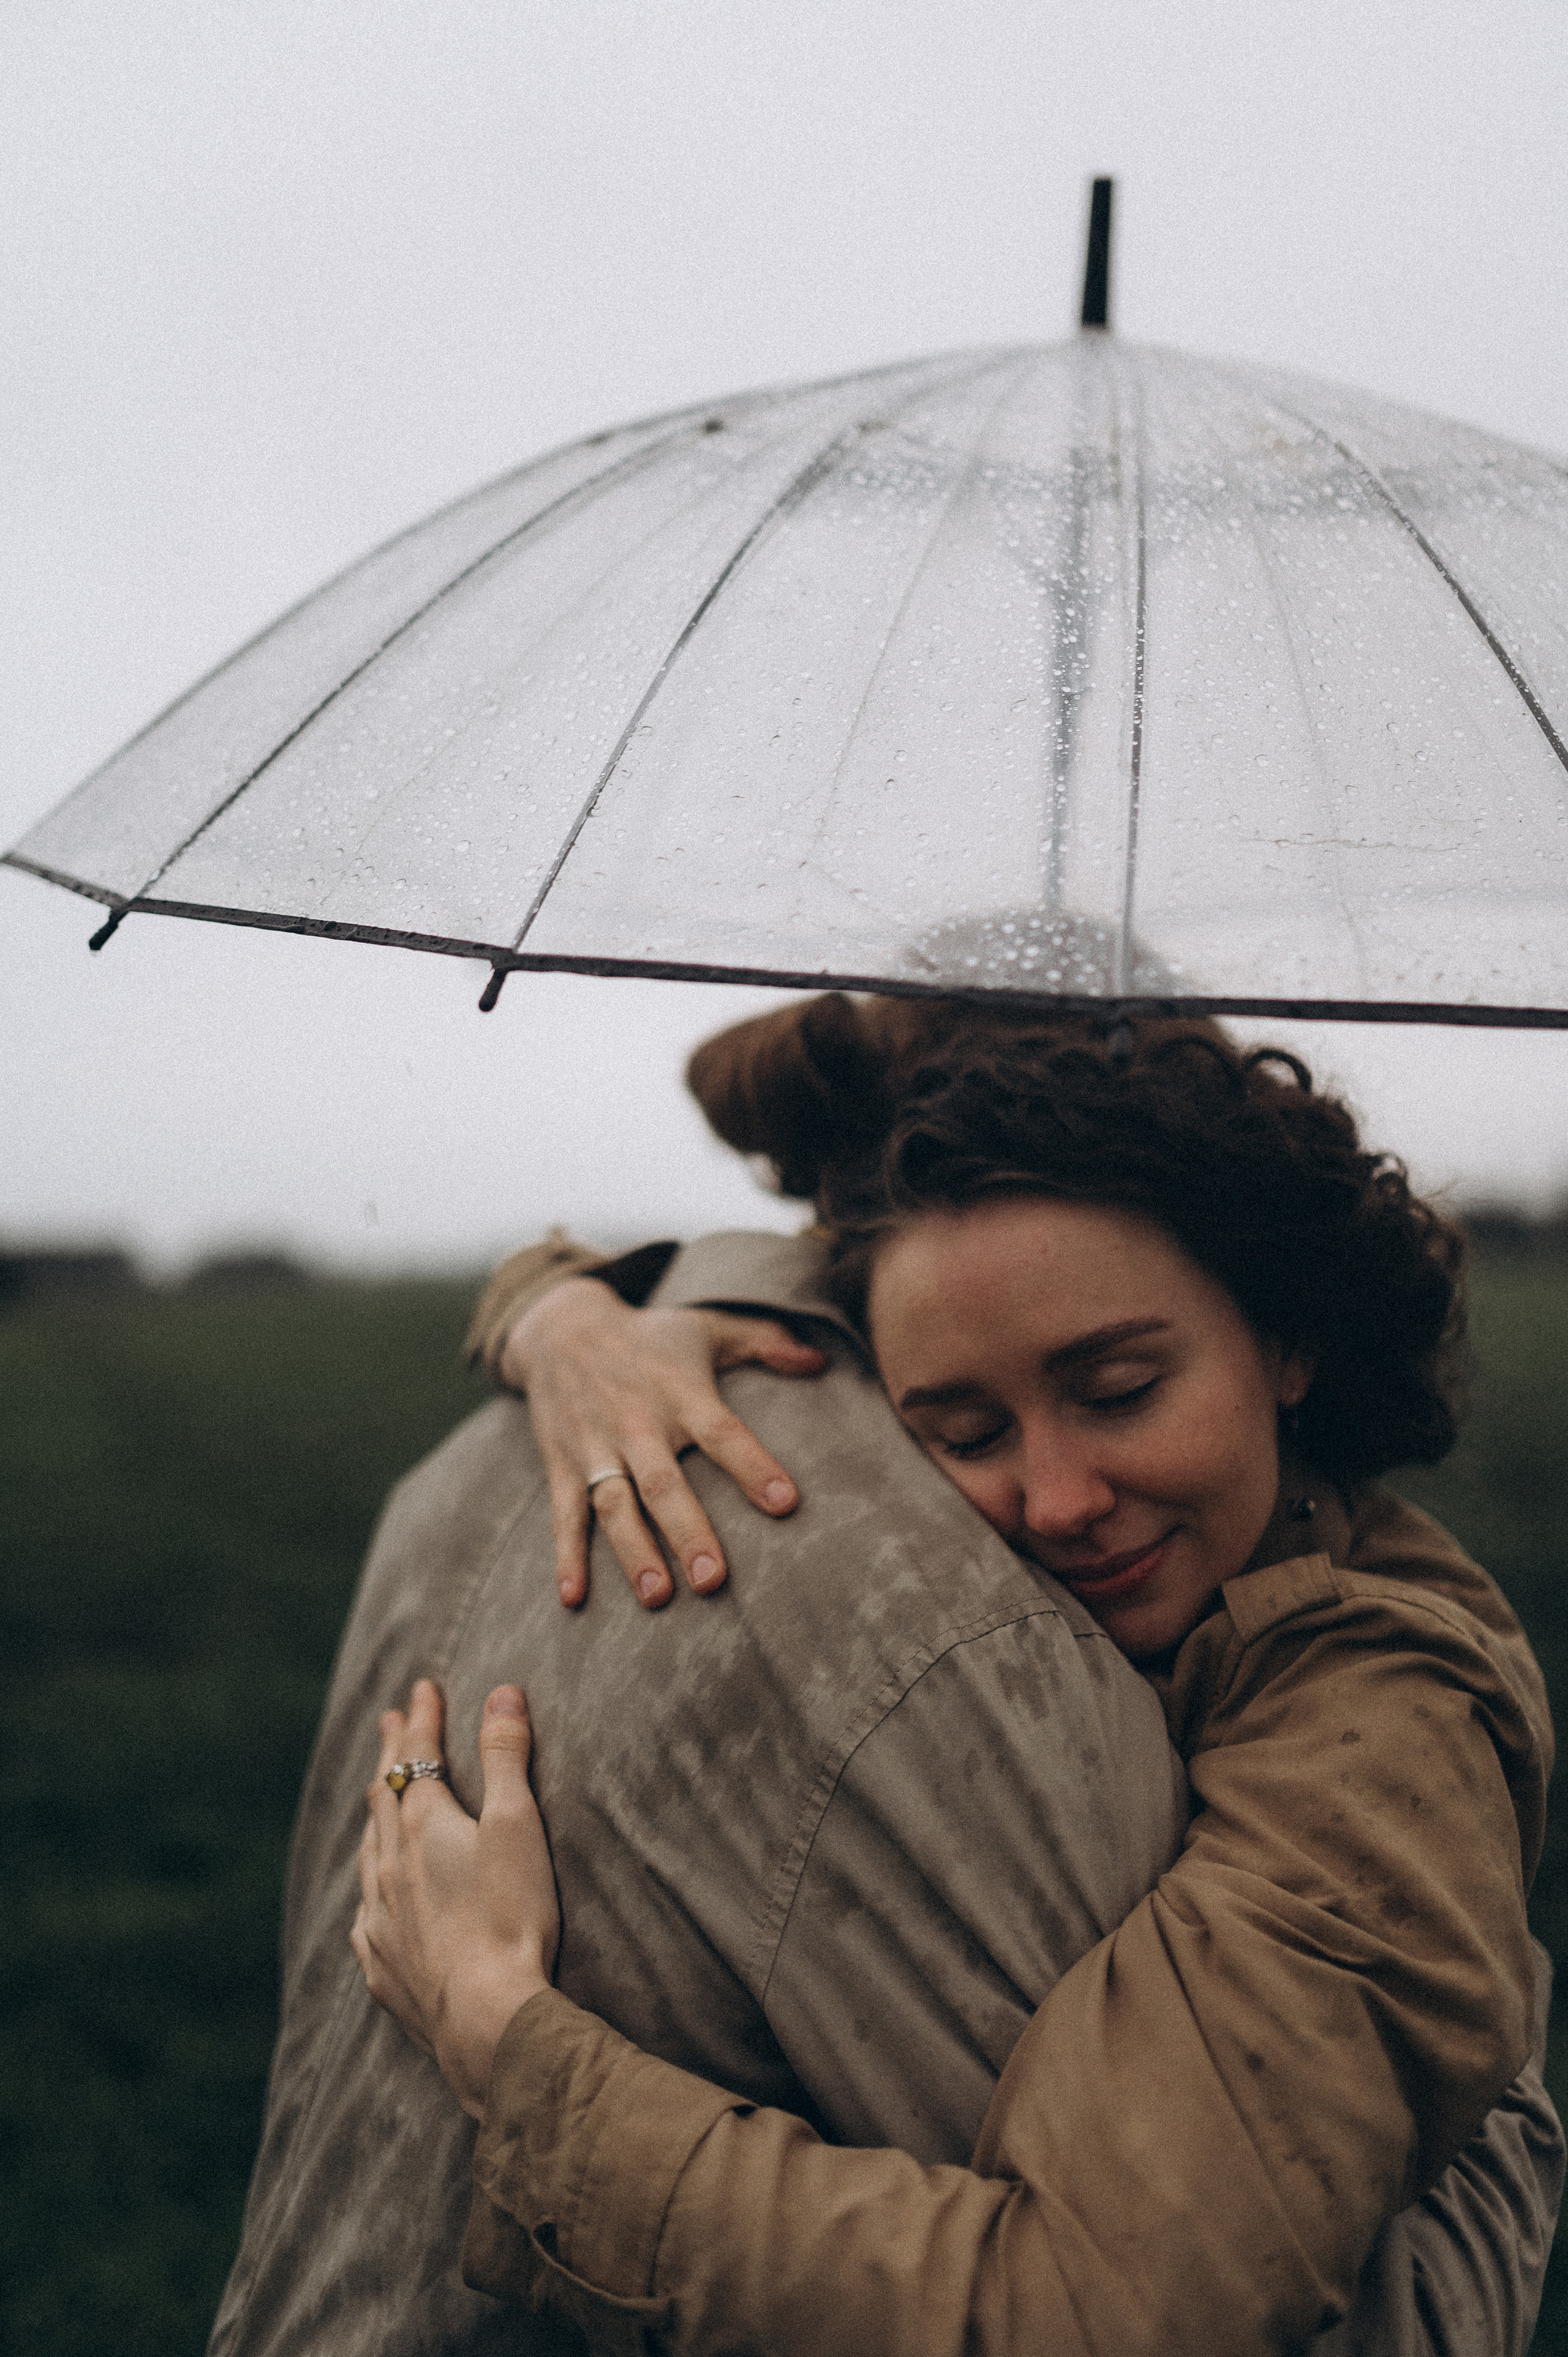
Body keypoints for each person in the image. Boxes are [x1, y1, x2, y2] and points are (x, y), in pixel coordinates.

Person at [353, 997, 1561, 2356]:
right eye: (964, 1429)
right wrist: (562, 1317)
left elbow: (1092, 2318)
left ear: (1285, 1341)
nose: (1054, 1500)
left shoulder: (1384, 1723)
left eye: (1116, 1389)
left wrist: (501, 2038)